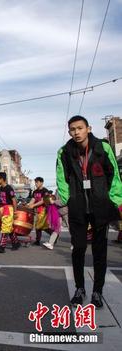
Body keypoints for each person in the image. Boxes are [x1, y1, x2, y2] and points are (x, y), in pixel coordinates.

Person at [56, 115, 122, 307]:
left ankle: (97, 292)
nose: (76, 132)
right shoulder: (64, 151)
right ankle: (80, 288)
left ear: (88, 128)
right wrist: (69, 200)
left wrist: (113, 200)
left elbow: (114, 175)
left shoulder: (103, 147)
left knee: (100, 251)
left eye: (79, 128)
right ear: (69, 132)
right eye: (72, 129)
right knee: (78, 249)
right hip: (78, 208)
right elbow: (61, 178)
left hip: (100, 206)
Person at [0, 172, 20, 253]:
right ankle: (16, 243)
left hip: (8, 209)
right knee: (9, 227)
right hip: (3, 209)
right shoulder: (1, 188)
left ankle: (2, 247)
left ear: (2, 179)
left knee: (5, 228)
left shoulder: (9, 188)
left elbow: (14, 200)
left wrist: (15, 212)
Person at [27, 177, 51, 245]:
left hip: (44, 210)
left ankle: (38, 240)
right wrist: (28, 205)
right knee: (42, 226)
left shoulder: (45, 191)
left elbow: (43, 201)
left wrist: (33, 205)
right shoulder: (35, 191)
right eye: (35, 182)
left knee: (38, 225)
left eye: (37, 182)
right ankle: (53, 235)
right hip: (37, 210)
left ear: (41, 182)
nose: (36, 184)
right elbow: (33, 199)